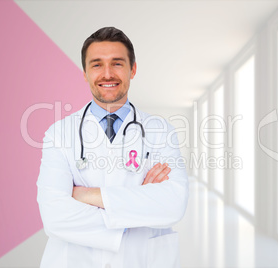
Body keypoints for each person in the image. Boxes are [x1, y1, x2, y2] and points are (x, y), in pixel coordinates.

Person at [37, 26, 189, 268]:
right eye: (96, 64)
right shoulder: (59, 133)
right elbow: (54, 217)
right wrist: (138, 205)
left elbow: (173, 204)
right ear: (85, 73)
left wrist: (86, 195)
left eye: (117, 63)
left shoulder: (161, 131)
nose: (107, 74)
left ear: (133, 69)